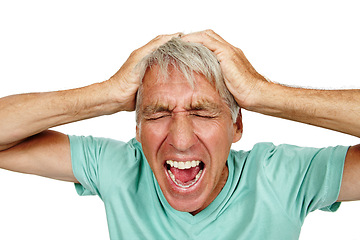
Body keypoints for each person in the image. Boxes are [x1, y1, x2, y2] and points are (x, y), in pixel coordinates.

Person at [0, 29, 359, 239]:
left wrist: (263, 93)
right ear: (137, 128)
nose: (182, 139)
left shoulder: (281, 176)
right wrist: (107, 93)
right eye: (158, 114)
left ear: (237, 125)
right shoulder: (120, 167)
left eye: (202, 112)